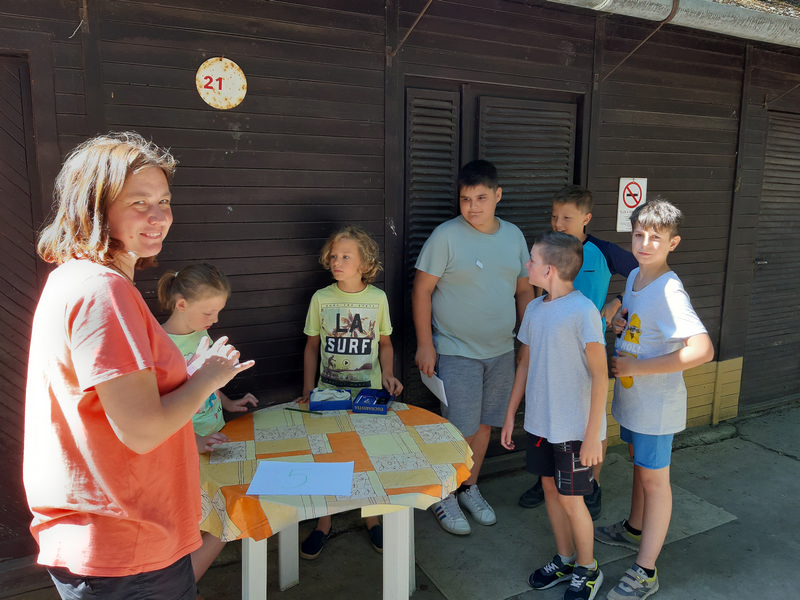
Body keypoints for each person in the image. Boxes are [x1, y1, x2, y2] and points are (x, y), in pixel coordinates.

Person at [23, 132, 254, 600]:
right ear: (96, 208)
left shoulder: (75, 277)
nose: (158, 216)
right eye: (138, 202)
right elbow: (143, 430)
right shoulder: (102, 290)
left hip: (113, 539)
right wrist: (208, 377)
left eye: (164, 201)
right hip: (127, 544)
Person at [595, 198, 713, 600]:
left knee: (655, 481)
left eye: (655, 238)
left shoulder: (670, 289)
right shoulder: (635, 276)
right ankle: (634, 528)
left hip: (656, 407)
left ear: (673, 243)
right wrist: (619, 317)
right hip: (635, 402)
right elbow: (636, 317)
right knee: (640, 468)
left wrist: (638, 368)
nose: (644, 244)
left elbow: (703, 350)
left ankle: (646, 571)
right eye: (638, 235)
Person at [413, 159, 535, 535]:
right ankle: (445, 495)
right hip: (456, 350)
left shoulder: (513, 236)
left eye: (481, 198)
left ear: (498, 195)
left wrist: (527, 341)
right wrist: (425, 345)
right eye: (465, 199)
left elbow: (524, 290)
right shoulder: (446, 236)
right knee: (458, 428)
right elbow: (422, 290)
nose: (472, 207)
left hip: (501, 351)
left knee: (483, 426)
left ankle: (469, 487)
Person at [501, 231, 608, 600]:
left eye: (531, 260)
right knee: (550, 489)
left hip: (575, 429)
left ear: (548, 270)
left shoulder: (583, 312)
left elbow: (600, 375)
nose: (526, 264)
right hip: (541, 424)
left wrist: (593, 436)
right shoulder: (534, 308)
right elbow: (524, 363)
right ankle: (565, 558)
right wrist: (511, 414)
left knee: (572, 499)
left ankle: (588, 568)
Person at [519, 185, 637, 518]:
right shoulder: (548, 250)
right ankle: (547, 480)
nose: (558, 223)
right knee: (551, 417)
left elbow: (645, 275)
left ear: (586, 218)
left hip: (588, 352)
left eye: (566, 218)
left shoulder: (603, 251)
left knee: (590, 421)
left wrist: (618, 303)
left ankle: (591, 484)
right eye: (554, 216)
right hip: (551, 350)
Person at [298, 224, 403, 559]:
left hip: (368, 393)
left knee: (367, 454)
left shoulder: (378, 299)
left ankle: (371, 517)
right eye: (333, 256)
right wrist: (308, 388)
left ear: (364, 262)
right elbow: (311, 346)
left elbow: (385, 344)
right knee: (327, 456)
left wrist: (388, 374)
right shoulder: (321, 298)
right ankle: (324, 522)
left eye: (346, 256)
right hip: (328, 392)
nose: (337, 262)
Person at [158, 262, 259, 584]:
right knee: (199, 522)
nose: (214, 320)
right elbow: (158, 410)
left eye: (218, 312)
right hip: (183, 450)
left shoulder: (200, 332)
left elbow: (207, 380)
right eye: (208, 312)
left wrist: (227, 402)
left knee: (214, 515)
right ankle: (182, 589)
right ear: (181, 304)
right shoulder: (159, 345)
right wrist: (193, 441)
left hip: (214, 438)